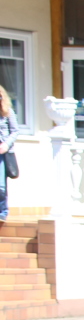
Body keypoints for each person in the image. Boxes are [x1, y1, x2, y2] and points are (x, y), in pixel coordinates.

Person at [0, 86, 16, 222]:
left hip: (3, 152)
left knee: (1, 185)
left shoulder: (8, 112)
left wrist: (6, 144)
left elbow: (15, 131)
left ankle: (3, 211)